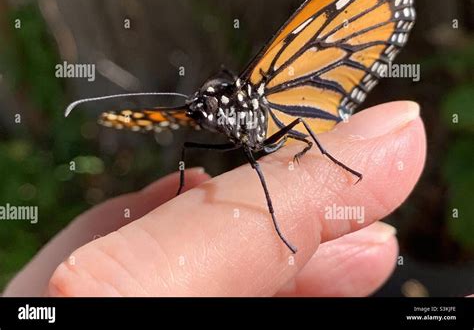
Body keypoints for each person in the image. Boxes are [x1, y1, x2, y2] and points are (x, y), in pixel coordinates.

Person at [4, 101, 425, 296]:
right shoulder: (212, 125)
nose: (211, 121)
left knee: (283, 138)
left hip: (293, 128)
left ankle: (302, 191)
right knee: (209, 155)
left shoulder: (259, 112)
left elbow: (282, 136)